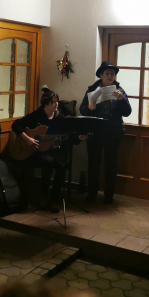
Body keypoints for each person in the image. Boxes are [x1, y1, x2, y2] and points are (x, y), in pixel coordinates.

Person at [11, 88, 85, 212]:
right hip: (34, 151)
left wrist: (78, 138)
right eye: (53, 102)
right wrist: (28, 139)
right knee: (48, 161)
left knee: (62, 165)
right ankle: (43, 196)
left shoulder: (60, 117)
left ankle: (53, 197)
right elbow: (16, 125)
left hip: (52, 150)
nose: (56, 104)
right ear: (46, 104)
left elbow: (67, 135)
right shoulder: (36, 115)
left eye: (57, 101)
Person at [79, 61, 132, 204]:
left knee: (111, 165)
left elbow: (127, 112)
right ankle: (92, 193)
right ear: (101, 75)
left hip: (113, 132)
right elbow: (82, 110)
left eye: (112, 74)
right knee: (93, 164)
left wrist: (121, 99)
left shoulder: (119, 90)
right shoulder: (92, 90)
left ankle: (109, 195)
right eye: (107, 73)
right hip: (94, 132)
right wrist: (89, 108)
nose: (110, 76)